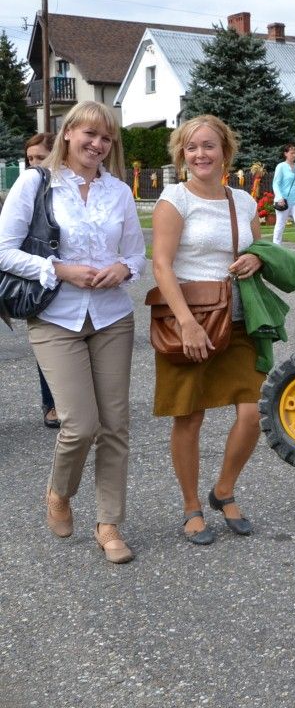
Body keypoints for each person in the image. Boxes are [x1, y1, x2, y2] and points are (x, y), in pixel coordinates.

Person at [0, 102, 146, 564]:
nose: (97, 145)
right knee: (80, 424)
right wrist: (59, 269)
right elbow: (3, 251)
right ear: (68, 134)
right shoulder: (36, 182)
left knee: (115, 426)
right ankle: (59, 492)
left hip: (111, 317)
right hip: (55, 317)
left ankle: (109, 524)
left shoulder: (119, 191)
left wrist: (122, 268)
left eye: (106, 139)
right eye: (89, 134)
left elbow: (136, 256)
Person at [151, 115, 266, 546]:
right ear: (182, 154)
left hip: (237, 318)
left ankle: (223, 490)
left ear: (225, 152)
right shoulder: (174, 200)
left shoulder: (243, 201)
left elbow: (258, 249)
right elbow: (161, 264)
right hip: (187, 319)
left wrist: (256, 259)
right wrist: (186, 323)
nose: (200, 154)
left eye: (208, 146)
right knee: (189, 415)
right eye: (191, 147)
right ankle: (190, 506)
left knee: (253, 411)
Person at [24, 133, 60, 429]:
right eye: (30, 159)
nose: (35, 164)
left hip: (71, 277)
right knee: (46, 342)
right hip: (36, 275)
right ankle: (51, 403)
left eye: (40, 157)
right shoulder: (25, 188)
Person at [271, 143, 295, 252]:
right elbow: (276, 183)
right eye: (291, 153)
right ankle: (276, 248)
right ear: (285, 154)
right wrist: (279, 197)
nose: (294, 155)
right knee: (280, 224)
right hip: (284, 201)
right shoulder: (281, 166)